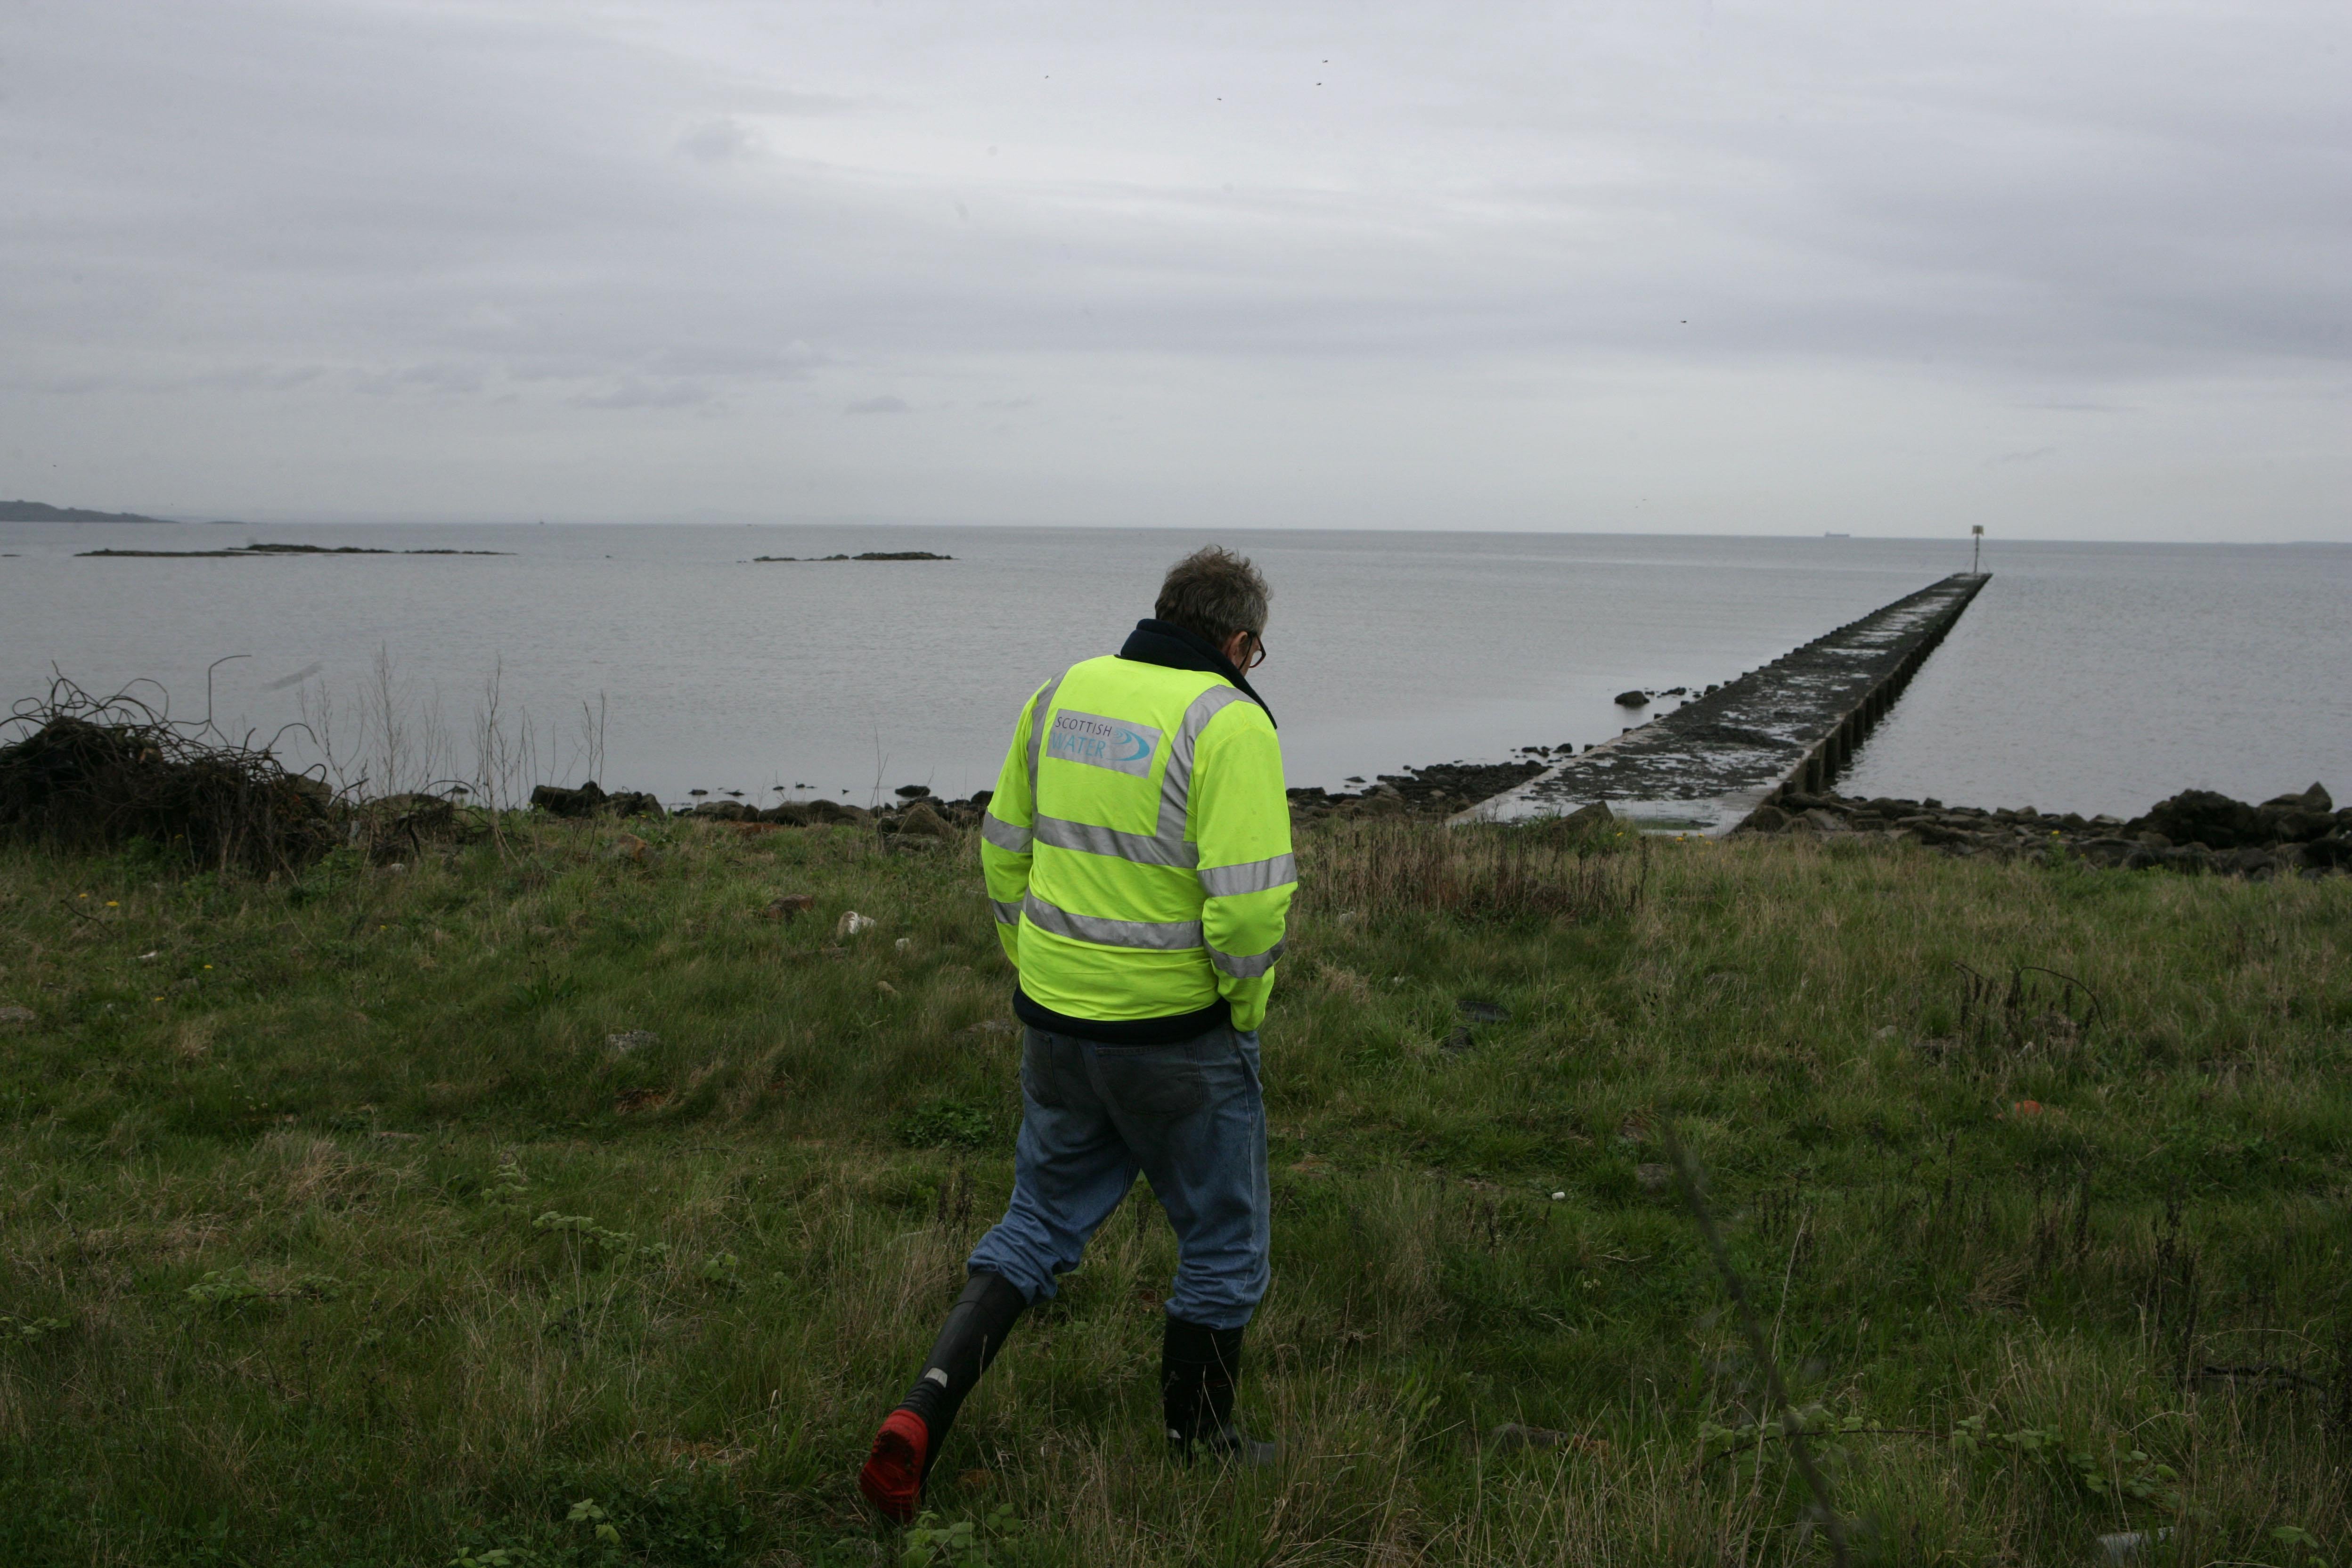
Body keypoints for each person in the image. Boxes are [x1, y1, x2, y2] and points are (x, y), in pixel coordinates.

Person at [858, 545, 1296, 1521]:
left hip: (1056, 1020)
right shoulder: (1229, 723)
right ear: (1236, 639)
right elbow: (1250, 912)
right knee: (1224, 1241)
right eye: (1253, 650)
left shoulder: (1060, 694)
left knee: (1035, 1224)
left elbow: (1002, 846)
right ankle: (1202, 1444)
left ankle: (921, 1411)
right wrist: (1243, 1010)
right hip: (1180, 1032)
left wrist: (1035, 963)